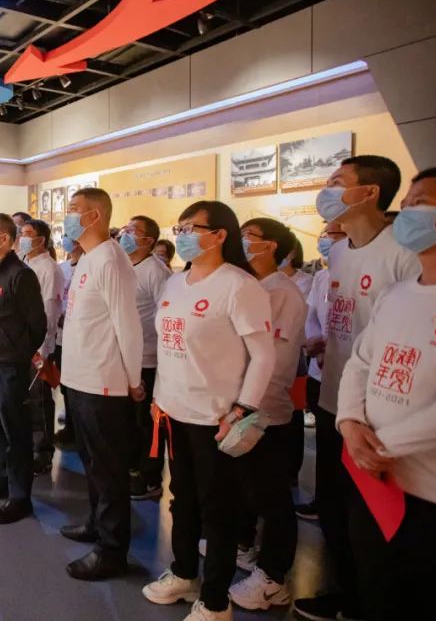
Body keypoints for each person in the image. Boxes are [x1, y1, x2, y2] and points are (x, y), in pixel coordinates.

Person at [336, 164, 436, 621]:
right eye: (407, 204)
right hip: (376, 482)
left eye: (421, 204)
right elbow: (361, 361)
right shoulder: (398, 294)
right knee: (376, 591)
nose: (407, 214)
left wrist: (383, 445)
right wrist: (350, 421)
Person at [293, 156, 420, 621]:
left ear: (369, 193)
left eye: (336, 182)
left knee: (374, 519)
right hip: (335, 399)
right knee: (334, 507)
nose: (325, 190)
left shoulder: (404, 252)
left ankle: (371, 602)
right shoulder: (341, 253)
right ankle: (345, 594)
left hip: (380, 411)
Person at [143, 201, 276, 621]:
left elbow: (264, 355)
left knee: (219, 510)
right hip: (174, 412)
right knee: (182, 500)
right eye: (179, 227)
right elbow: (168, 349)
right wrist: (159, 398)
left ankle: (215, 602)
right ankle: (184, 573)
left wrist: (242, 408)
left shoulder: (239, 285)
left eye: (192, 228)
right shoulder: (175, 283)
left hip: (216, 419)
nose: (182, 235)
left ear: (219, 235)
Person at [58, 188, 145, 581]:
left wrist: (133, 379)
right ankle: (96, 523)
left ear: (94, 216)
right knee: (92, 464)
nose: (67, 216)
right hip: (80, 379)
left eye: (74, 210)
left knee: (109, 471)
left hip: (103, 383)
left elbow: (128, 326)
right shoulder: (89, 259)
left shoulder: (111, 259)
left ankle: (112, 551)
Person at [228, 218, 307, 610]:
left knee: (272, 497)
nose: (242, 242)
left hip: (266, 413)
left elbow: (276, 360)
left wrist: (249, 405)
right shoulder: (247, 285)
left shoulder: (284, 293)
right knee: (246, 487)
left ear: (272, 245)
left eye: (250, 237)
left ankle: (274, 577)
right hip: (238, 407)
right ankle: (244, 546)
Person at [0, 213, 47, 525]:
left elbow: (37, 325)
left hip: (9, 368)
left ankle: (20, 497)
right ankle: (1, 479)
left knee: (15, 432)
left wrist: (17, 355)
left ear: (5, 238)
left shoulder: (21, 275)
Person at [295, 220, 347, 521]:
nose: (325, 240)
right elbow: (312, 317)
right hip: (320, 370)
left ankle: (342, 508)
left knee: (345, 446)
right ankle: (323, 502)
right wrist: (316, 344)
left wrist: (331, 348)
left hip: (349, 374)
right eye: (323, 235)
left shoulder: (368, 274)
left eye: (333, 234)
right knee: (326, 443)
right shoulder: (322, 277)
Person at [119, 215, 172, 501]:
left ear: (148, 240)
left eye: (133, 231)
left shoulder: (155, 271)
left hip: (148, 359)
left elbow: (166, 315)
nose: (126, 234)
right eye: (125, 229)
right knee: (127, 422)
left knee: (147, 424)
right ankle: (131, 469)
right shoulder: (124, 265)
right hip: (125, 358)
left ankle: (150, 478)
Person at [19, 219, 64, 476]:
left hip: (38, 348)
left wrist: (43, 352)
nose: (22, 238)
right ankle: (28, 448)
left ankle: (43, 453)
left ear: (41, 240)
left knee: (40, 400)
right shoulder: (24, 264)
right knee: (25, 400)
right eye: (21, 233)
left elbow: (50, 312)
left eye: (27, 234)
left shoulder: (49, 269)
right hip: (20, 345)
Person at [54, 237, 84, 448]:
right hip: (60, 335)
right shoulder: (62, 268)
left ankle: (78, 429)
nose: (67, 240)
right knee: (65, 384)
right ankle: (71, 427)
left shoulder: (89, 266)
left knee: (78, 387)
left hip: (79, 338)